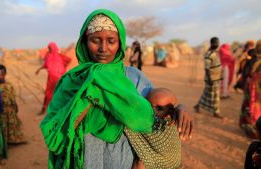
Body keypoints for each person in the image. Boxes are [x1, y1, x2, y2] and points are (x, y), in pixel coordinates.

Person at [40, 9, 193, 169]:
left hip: (124, 161)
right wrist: (90, 93)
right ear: (85, 42)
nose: (103, 48)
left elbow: (155, 111)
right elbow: (54, 134)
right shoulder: (73, 81)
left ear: (120, 42)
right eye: (95, 40)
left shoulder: (134, 77)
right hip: (85, 162)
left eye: (111, 41)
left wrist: (180, 108)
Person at [126, 88, 182, 169]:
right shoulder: (146, 119)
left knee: (142, 162)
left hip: (171, 160)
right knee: (142, 161)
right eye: (159, 108)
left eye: (171, 109)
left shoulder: (172, 121)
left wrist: (182, 107)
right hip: (157, 158)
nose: (168, 114)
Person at [0, 64, 26, 144]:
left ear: (5, 74)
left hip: (10, 109)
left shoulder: (9, 85)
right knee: (3, 125)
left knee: (12, 124)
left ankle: (14, 139)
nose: (0, 76)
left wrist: (15, 105)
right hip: (2, 110)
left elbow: (12, 96)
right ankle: (5, 141)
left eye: (2, 74)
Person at [35, 42, 71, 115]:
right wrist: (38, 69)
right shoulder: (49, 56)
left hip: (58, 79)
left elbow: (69, 60)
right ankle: (44, 110)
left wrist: (64, 67)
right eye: (49, 48)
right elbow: (45, 65)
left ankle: (60, 111)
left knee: (58, 94)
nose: (49, 49)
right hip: (52, 79)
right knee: (48, 94)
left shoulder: (60, 56)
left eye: (50, 48)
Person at [194, 37, 223, 118]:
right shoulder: (209, 54)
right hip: (212, 79)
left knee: (207, 94)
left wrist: (221, 75)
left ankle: (198, 106)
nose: (217, 44)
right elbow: (207, 68)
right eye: (215, 43)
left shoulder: (215, 53)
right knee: (215, 96)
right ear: (212, 43)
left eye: (218, 42)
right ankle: (216, 112)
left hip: (216, 78)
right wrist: (210, 79)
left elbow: (217, 65)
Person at [240, 40, 261, 138]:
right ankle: (253, 129)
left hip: (251, 90)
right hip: (255, 92)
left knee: (249, 106)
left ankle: (246, 124)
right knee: (253, 109)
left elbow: (247, 73)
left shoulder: (253, 61)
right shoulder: (256, 62)